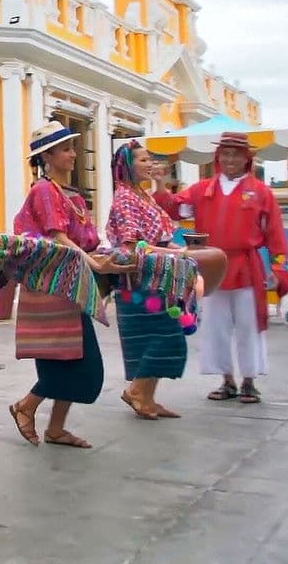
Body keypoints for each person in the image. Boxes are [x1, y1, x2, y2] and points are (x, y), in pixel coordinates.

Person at [7, 122, 132, 448]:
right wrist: (93, 262)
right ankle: (26, 406)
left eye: (72, 147)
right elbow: (57, 238)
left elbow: (83, 240)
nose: (73, 154)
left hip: (71, 287)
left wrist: (104, 257)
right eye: (66, 149)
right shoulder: (44, 191)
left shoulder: (72, 194)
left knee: (76, 359)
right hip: (51, 290)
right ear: (47, 156)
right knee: (66, 360)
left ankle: (55, 427)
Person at [161, 132, 288, 404]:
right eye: (225, 154)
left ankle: (250, 382)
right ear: (218, 158)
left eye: (236, 154)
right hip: (212, 266)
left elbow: (276, 234)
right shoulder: (203, 188)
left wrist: (279, 270)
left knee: (248, 324)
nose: (230, 159)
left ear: (247, 159)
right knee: (215, 326)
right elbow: (174, 208)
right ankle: (227, 380)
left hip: (246, 267)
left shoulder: (261, 192)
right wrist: (160, 186)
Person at [105, 141, 186, 420]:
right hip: (138, 282)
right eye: (142, 160)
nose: (149, 164)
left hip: (158, 276)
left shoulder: (144, 196)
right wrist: (174, 252)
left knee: (164, 333)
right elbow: (132, 246)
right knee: (160, 336)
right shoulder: (125, 198)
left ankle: (147, 397)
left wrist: (176, 250)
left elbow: (161, 238)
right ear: (127, 166)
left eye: (150, 159)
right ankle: (137, 391)